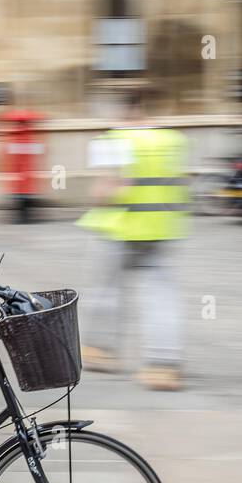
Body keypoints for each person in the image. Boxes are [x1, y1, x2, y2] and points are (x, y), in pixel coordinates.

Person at [77, 89, 189, 390]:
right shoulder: (171, 140)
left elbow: (108, 188)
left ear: (124, 111)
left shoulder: (113, 140)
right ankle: (164, 367)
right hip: (161, 227)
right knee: (161, 295)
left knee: (106, 291)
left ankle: (100, 351)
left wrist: (95, 199)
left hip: (118, 227)